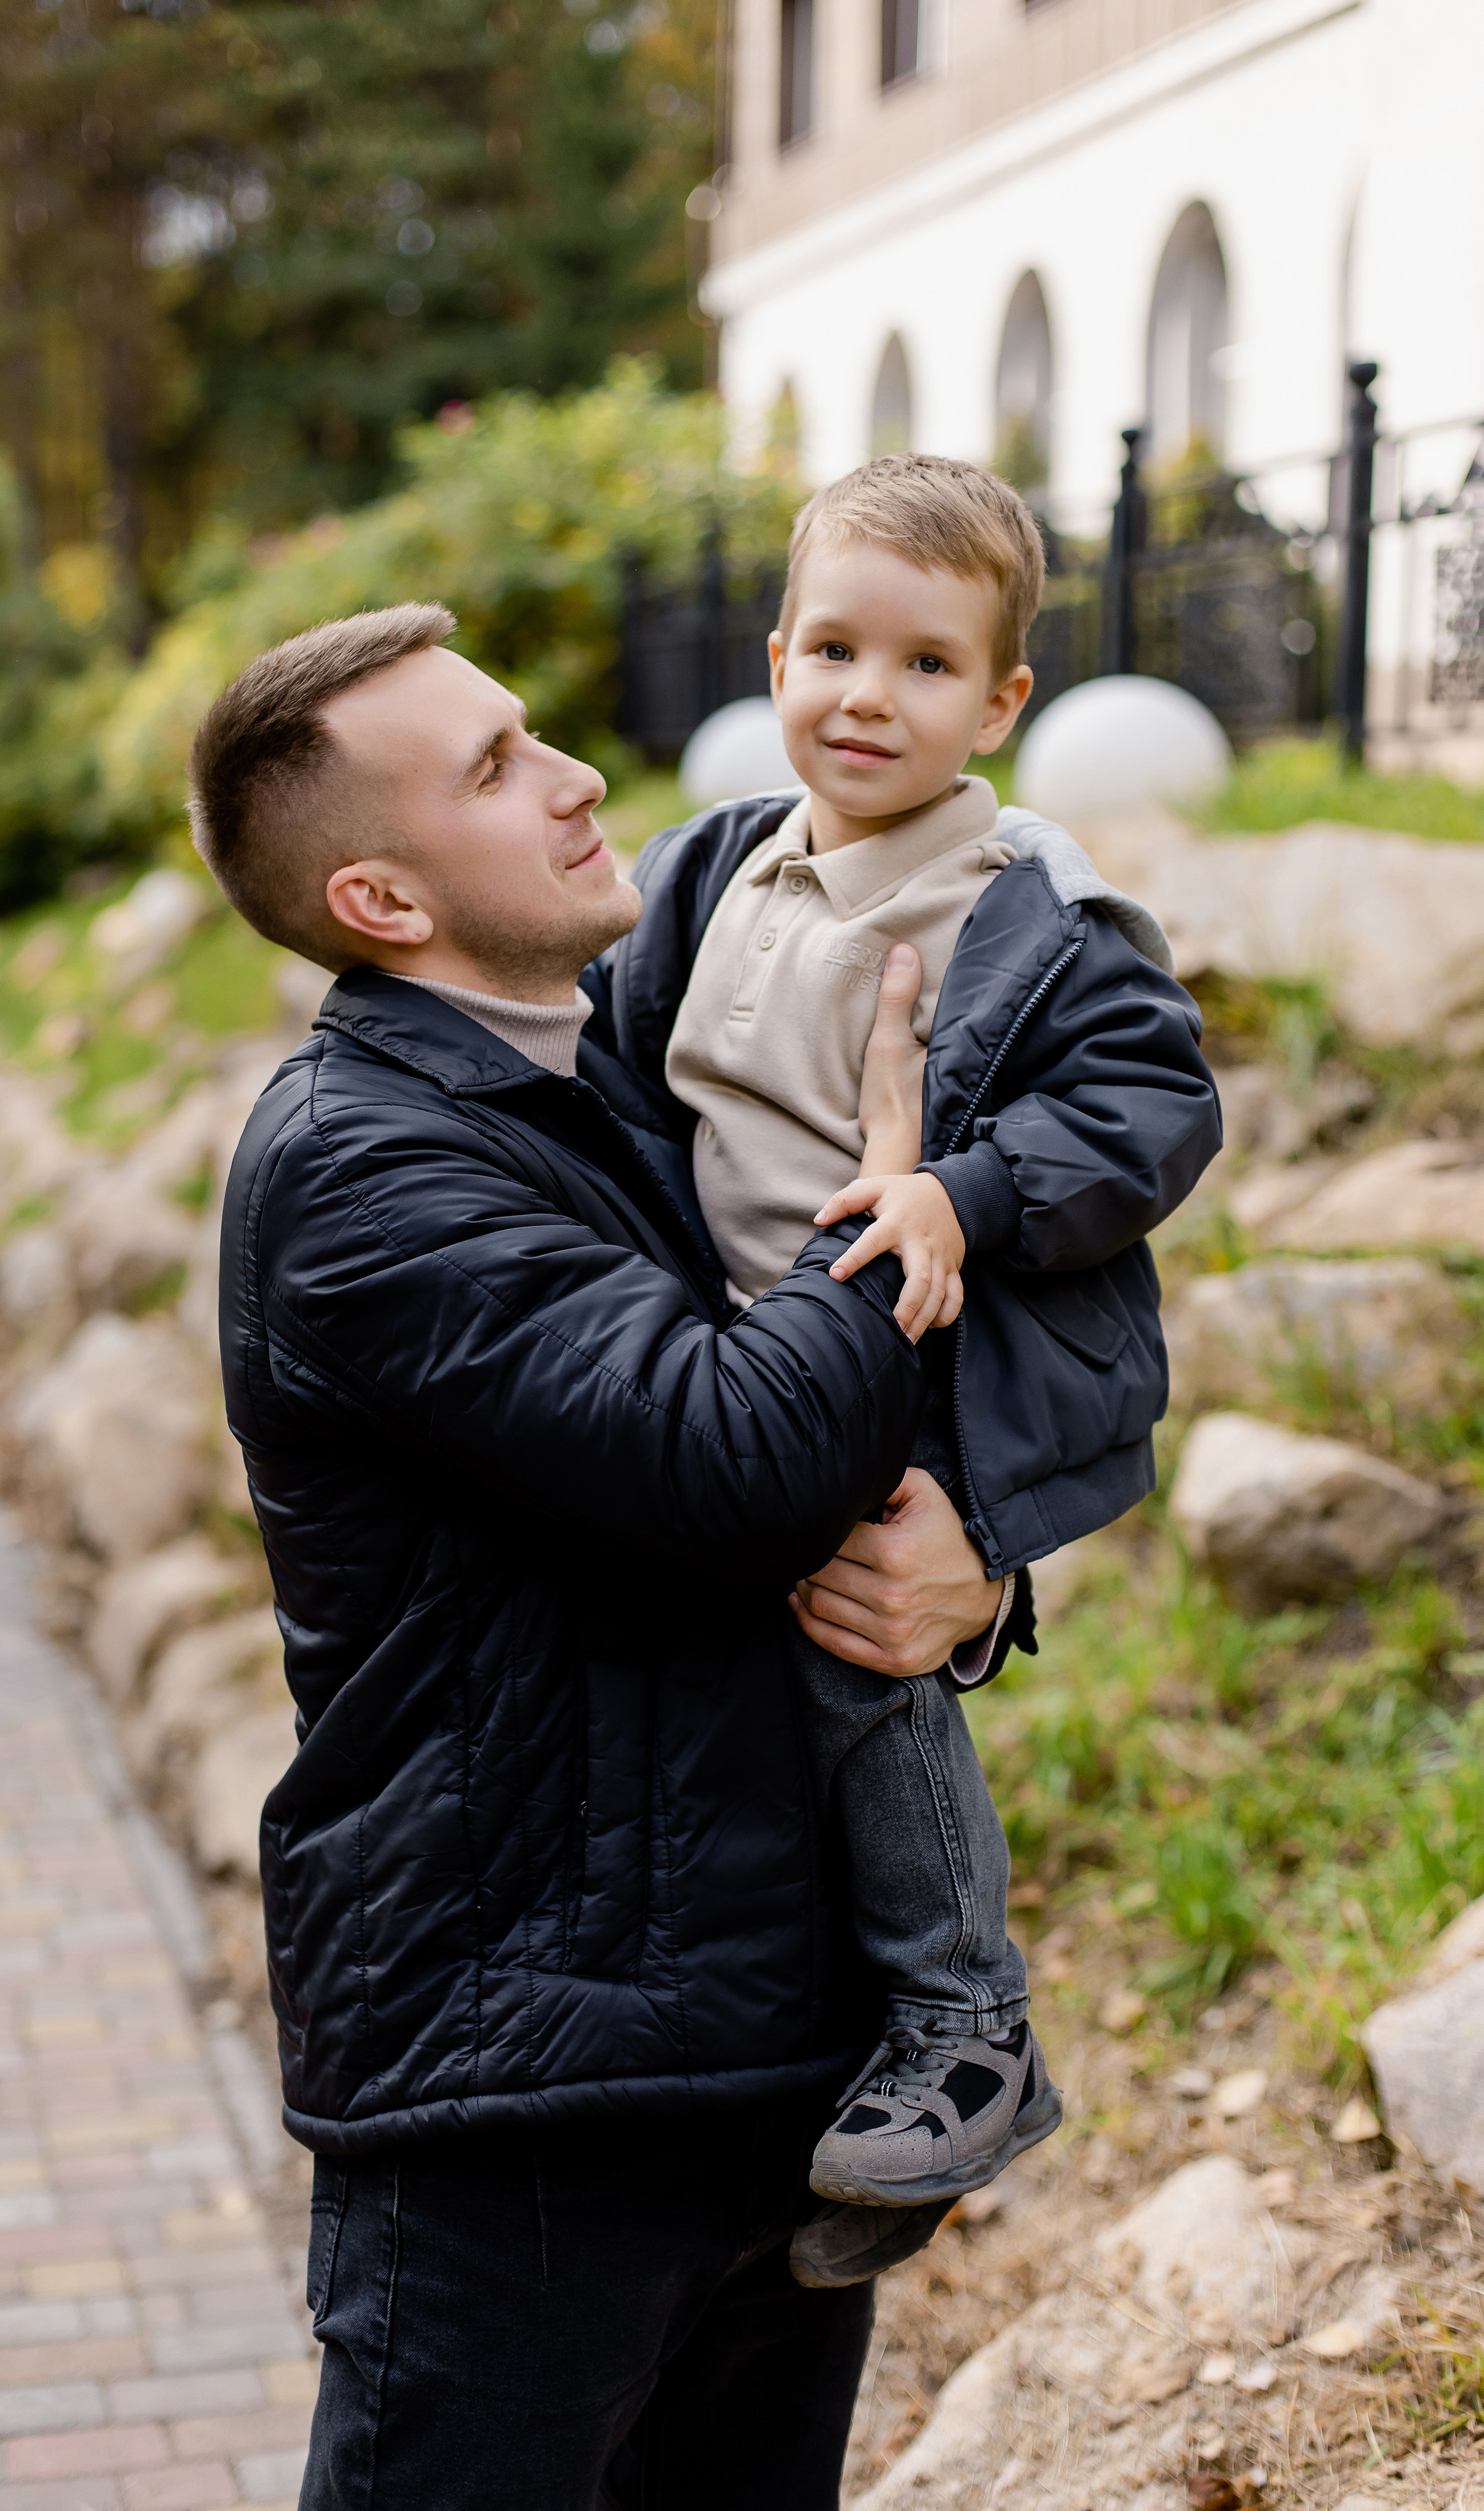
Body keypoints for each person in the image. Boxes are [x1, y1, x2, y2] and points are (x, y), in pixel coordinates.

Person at [189, 602, 1028, 2511]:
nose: (578, 778)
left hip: (762, 2063)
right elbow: (735, 1460)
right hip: (527, 2107)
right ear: (385, 899)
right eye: (495, 768)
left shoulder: (611, 1090)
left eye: (533, 729)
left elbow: (810, 1491)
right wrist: (891, 1184)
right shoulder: (361, 1166)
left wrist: (976, 1581)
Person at [607, 453, 1221, 2222]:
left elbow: (1150, 1105)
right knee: (741, 1682)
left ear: (1006, 702)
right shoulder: (713, 868)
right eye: (835, 650)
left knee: (855, 1652)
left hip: (922, 1354)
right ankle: (839, 2068)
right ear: (777, 654)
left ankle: (968, 2023)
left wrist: (965, 1187)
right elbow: (607, 1069)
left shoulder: (1022, 902)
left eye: (929, 665)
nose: (869, 697)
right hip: (730, 1356)